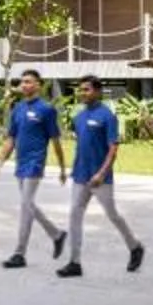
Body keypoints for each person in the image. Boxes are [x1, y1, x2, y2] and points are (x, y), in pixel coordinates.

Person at [57, 76, 143, 277]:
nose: (82, 93)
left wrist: (101, 173)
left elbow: (113, 149)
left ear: (97, 91)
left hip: (100, 178)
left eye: (86, 89)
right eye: (81, 90)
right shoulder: (78, 117)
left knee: (112, 215)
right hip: (80, 176)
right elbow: (82, 146)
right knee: (74, 215)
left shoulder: (107, 116)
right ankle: (74, 263)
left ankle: (135, 247)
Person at [0, 68, 67, 269]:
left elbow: (56, 141)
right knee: (27, 206)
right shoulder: (18, 109)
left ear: (38, 85)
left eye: (29, 81)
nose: (25, 85)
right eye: (23, 82)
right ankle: (52, 237)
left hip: (35, 162)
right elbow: (11, 139)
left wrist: (62, 168)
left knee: (26, 204)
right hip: (20, 163)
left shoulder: (46, 110)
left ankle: (24, 250)